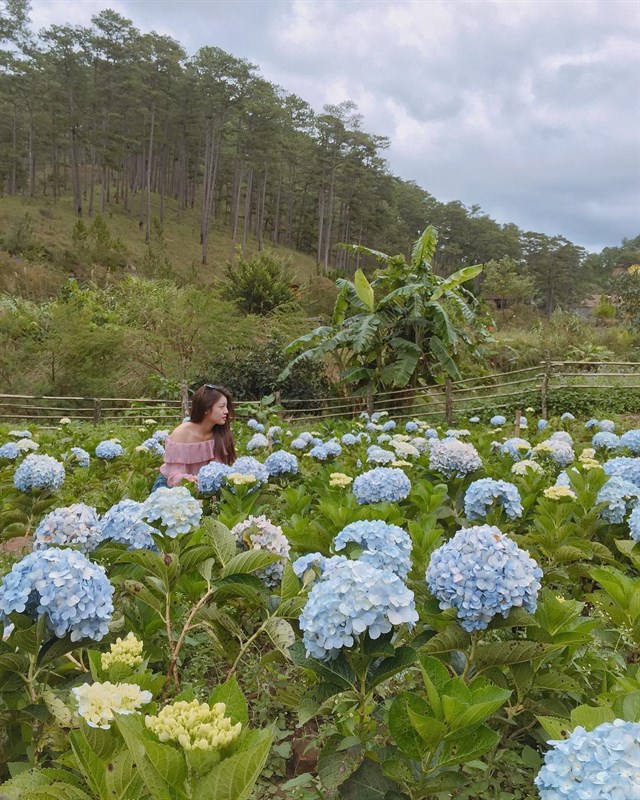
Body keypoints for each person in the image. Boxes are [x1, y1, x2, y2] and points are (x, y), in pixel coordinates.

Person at [151, 384, 236, 491]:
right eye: (221, 407)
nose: (226, 411)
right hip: (171, 487)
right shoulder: (182, 433)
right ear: (206, 408)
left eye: (226, 407)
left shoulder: (220, 434)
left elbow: (219, 470)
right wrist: (194, 483)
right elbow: (175, 476)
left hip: (203, 489)